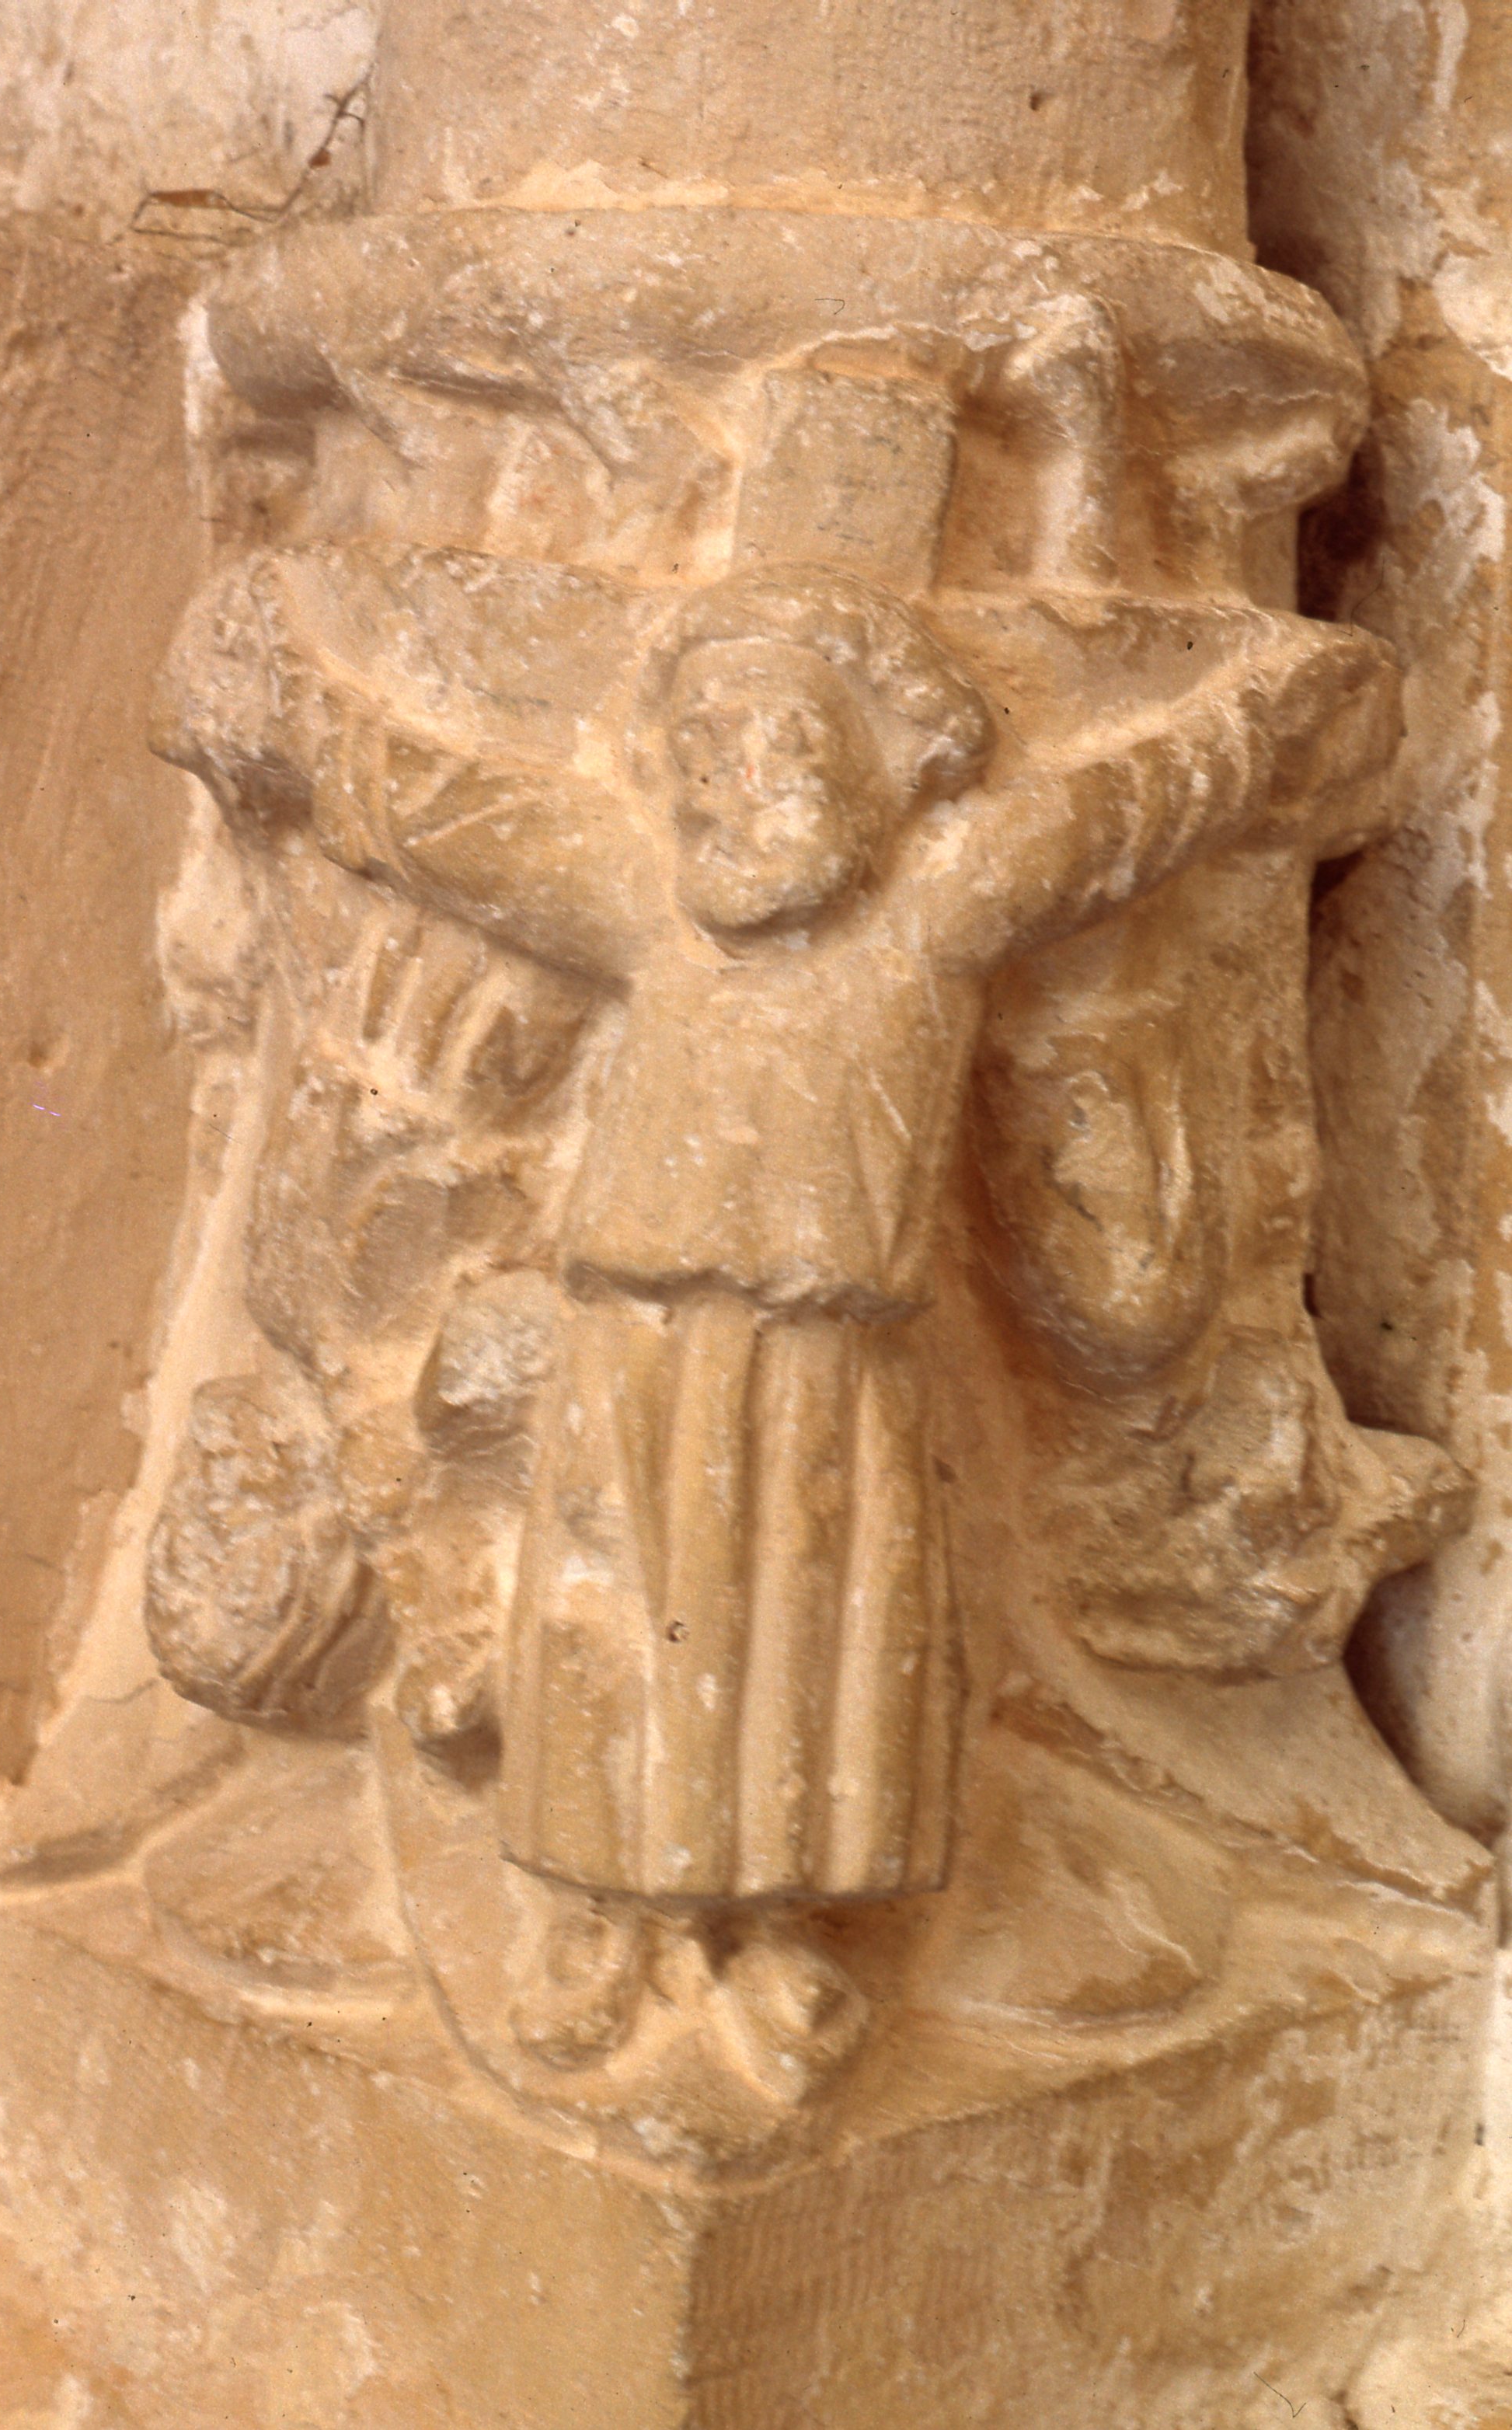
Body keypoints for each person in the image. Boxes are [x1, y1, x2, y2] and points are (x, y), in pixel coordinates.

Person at [178, 564, 1401, 2074]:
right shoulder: (639, 900)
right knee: (606, 1632)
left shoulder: (939, 906)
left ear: (883, 763)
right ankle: (602, 1922)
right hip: (634, 1348)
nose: (732, 776)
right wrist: (303, 719)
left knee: (809, 1651)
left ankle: (764, 1935)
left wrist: (1259, 728)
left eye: (781, 736)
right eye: (700, 745)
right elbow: (445, 819)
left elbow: (1123, 815)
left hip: (833, 1363)